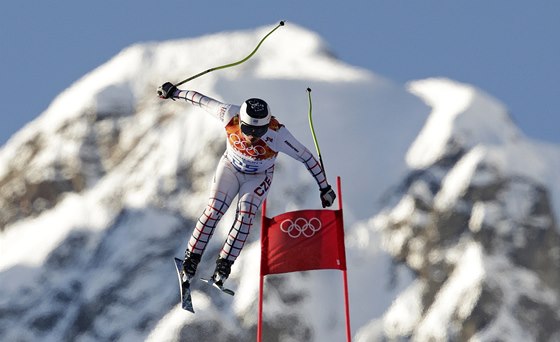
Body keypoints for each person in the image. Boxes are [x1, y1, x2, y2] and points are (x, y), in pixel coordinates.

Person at [157, 82, 336, 286]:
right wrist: (174, 92)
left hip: (258, 176)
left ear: (267, 126)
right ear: (241, 120)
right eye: (248, 128)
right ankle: (191, 259)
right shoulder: (228, 114)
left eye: (259, 131)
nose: (252, 135)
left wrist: (325, 188)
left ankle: (224, 265)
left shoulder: (278, 134)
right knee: (214, 210)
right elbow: (200, 100)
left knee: (246, 215)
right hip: (230, 167)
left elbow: (307, 158)